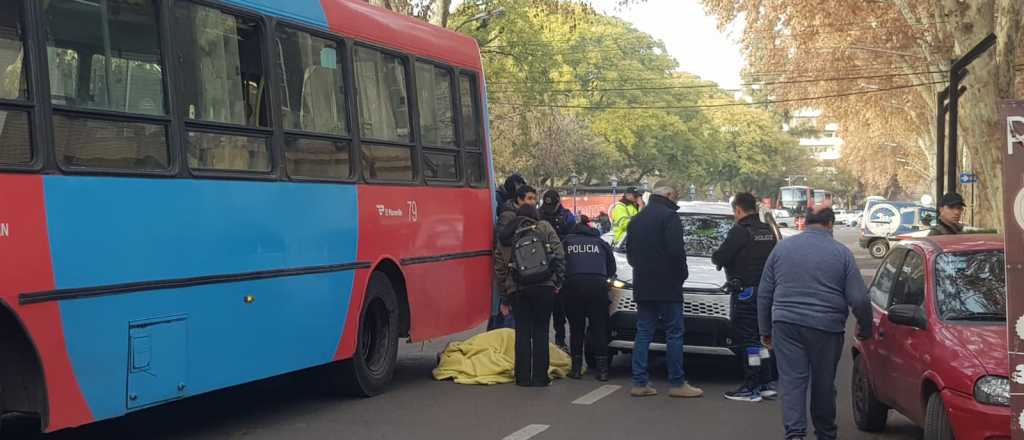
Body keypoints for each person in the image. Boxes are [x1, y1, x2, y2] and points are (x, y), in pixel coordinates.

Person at [758, 205, 872, 440]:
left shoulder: (781, 249)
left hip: (786, 324)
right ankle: (825, 433)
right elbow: (859, 298)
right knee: (823, 382)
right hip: (826, 328)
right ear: (830, 224)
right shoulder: (841, 253)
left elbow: (765, 292)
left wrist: (765, 329)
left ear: (805, 223)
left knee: (791, 381)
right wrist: (865, 326)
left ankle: (795, 434)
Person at [624, 186, 703, 398]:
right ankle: (677, 383)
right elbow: (677, 252)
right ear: (668, 196)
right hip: (668, 285)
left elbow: (630, 254)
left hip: (643, 284)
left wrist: (642, 270)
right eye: (675, 196)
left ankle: (639, 382)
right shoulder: (670, 218)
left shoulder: (637, 220)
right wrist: (681, 275)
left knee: (643, 333)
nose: (676, 199)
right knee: (674, 333)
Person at [712, 192, 778, 402]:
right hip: (766, 292)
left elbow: (721, 256)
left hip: (745, 292)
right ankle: (766, 383)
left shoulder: (740, 231)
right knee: (762, 339)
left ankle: (751, 387)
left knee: (748, 341)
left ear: (738, 210)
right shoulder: (767, 230)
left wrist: (717, 255)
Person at [494, 199, 565, 387]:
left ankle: (522, 377)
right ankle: (541, 377)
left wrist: (505, 295)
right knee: (541, 331)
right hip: (544, 286)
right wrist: (557, 280)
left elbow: (500, 269)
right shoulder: (544, 227)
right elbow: (559, 254)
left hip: (518, 288)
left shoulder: (507, 234)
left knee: (523, 332)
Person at [562, 216, 616, 381]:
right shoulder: (601, 243)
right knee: (598, 328)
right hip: (597, 286)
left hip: (573, 286)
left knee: (576, 329)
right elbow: (611, 268)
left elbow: (559, 264)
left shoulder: (567, 243)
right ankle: (602, 371)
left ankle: (576, 369)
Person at [488, 184, 539, 331]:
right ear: (519, 199)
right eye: (529, 198)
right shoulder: (508, 216)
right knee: (506, 319)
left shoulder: (529, 216)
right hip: (511, 275)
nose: (533, 202)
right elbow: (502, 248)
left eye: (534, 198)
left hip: (523, 274)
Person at [541, 189, 577, 351]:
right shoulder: (538, 214)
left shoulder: (567, 216)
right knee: (542, 310)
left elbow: (571, 239)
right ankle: (542, 343)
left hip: (561, 264)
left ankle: (560, 340)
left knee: (559, 309)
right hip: (541, 266)